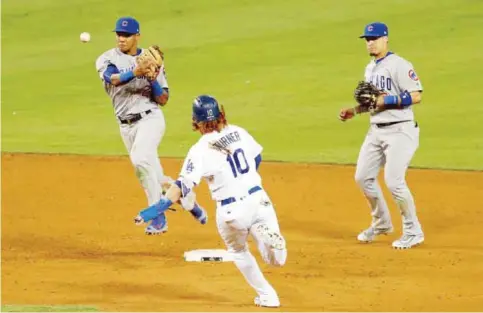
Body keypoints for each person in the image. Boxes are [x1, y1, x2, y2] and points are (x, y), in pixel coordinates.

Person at [135, 95, 287, 307]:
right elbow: (257, 158)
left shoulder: (199, 150)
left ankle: (268, 296)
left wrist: (158, 208)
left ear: (195, 121)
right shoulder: (238, 132)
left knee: (238, 251)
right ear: (220, 114)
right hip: (258, 198)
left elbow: (181, 187)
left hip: (232, 211)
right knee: (277, 260)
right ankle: (267, 239)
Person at [95, 17, 206, 234]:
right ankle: (185, 197)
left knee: (140, 159)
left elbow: (163, 99)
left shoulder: (152, 60)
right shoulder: (106, 59)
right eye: (118, 34)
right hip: (125, 126)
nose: (121, 39)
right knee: (150, 173)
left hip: (150, 119)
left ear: (137, 36)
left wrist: (152, 78)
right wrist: (137, 72)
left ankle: (158, 216)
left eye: (126, 35)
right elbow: (113, 79)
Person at [339, 22, 424, 249]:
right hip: (376, 130)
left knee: (394, 181)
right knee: (363, 177)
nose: (370, 42)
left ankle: (413, 231)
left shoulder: (399, 65)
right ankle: (382, 224)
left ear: (386, 39)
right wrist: (354, 111)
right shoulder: (370, 68)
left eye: (374, 38)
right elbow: (372, 102)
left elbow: (416, 96)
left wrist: (389, 99)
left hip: (400, 130)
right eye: (367, 39)